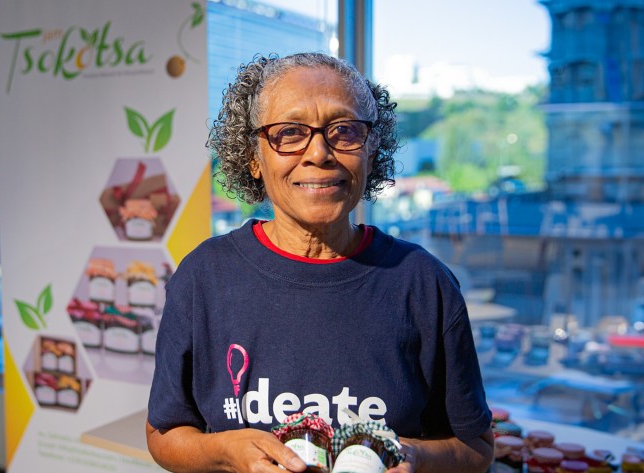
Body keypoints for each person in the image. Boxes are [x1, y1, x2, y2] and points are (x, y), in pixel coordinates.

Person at [146, 52, 493, 473]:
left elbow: (476, 448)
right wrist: (224, 452)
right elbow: (163, 433)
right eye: (290, 133)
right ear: (254, 158)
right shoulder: (204, 277)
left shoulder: (423, 283)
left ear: (371, 149)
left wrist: (417, 459)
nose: (319, 152)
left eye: (344, 131)